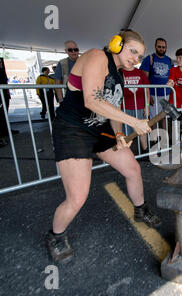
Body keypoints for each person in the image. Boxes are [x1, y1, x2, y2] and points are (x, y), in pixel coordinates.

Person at [47, 30, 161, 264]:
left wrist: (119, 132)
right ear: (117, 44)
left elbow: (112, 109)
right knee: (77, 197)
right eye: (132, 51)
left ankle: (140, 209)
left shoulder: (118, 76)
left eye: (140, 56)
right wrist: (134, 121)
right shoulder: (98, 56)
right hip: (73, 129)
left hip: (99, 130)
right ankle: (56, 235)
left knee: (132, 169)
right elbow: (92, 100)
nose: (136, 59)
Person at [139, 38, 173, 120]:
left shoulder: (169, 60)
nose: (161, 49)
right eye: (159, 47)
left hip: (166, 95)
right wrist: (148, 95)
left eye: (163, 47)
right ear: (155, 47)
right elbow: (144, 79)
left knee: (165, 118)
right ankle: (155, 133)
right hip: (153, 95)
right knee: (154, 119)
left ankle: (164, 133)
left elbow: (171, 77)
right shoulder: (149, 59)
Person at [121, 66, 150, 151]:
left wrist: (147, 105)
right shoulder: (119, 72)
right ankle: (127, 152)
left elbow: (147, 90)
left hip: (139, 107)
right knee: (126, 132)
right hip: (125, 107)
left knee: (142, 130)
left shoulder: (140, 72)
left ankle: (145, 150)